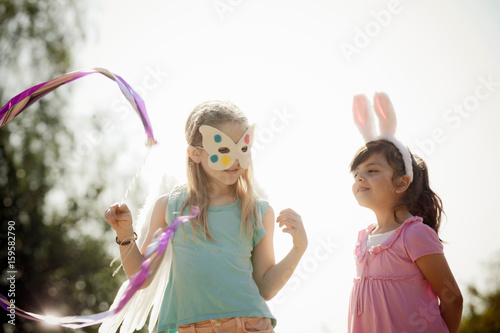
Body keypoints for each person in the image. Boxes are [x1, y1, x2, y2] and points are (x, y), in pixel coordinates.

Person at [104, 100, 308, 333]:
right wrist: (125, 234)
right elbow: (143, 279)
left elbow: (266, 288)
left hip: (249, 325)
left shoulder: (258, 212)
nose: (234, 160)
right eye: (223, 150)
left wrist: (298, 248)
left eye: (242, 149)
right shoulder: (170, 206)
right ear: (195, 154)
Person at [348, 93, 463, 332]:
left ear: (401, 183)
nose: (360, 177)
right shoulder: (362, 241)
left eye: (372, 170)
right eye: (357, 173)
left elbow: (452, 299)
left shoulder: (414, 234)